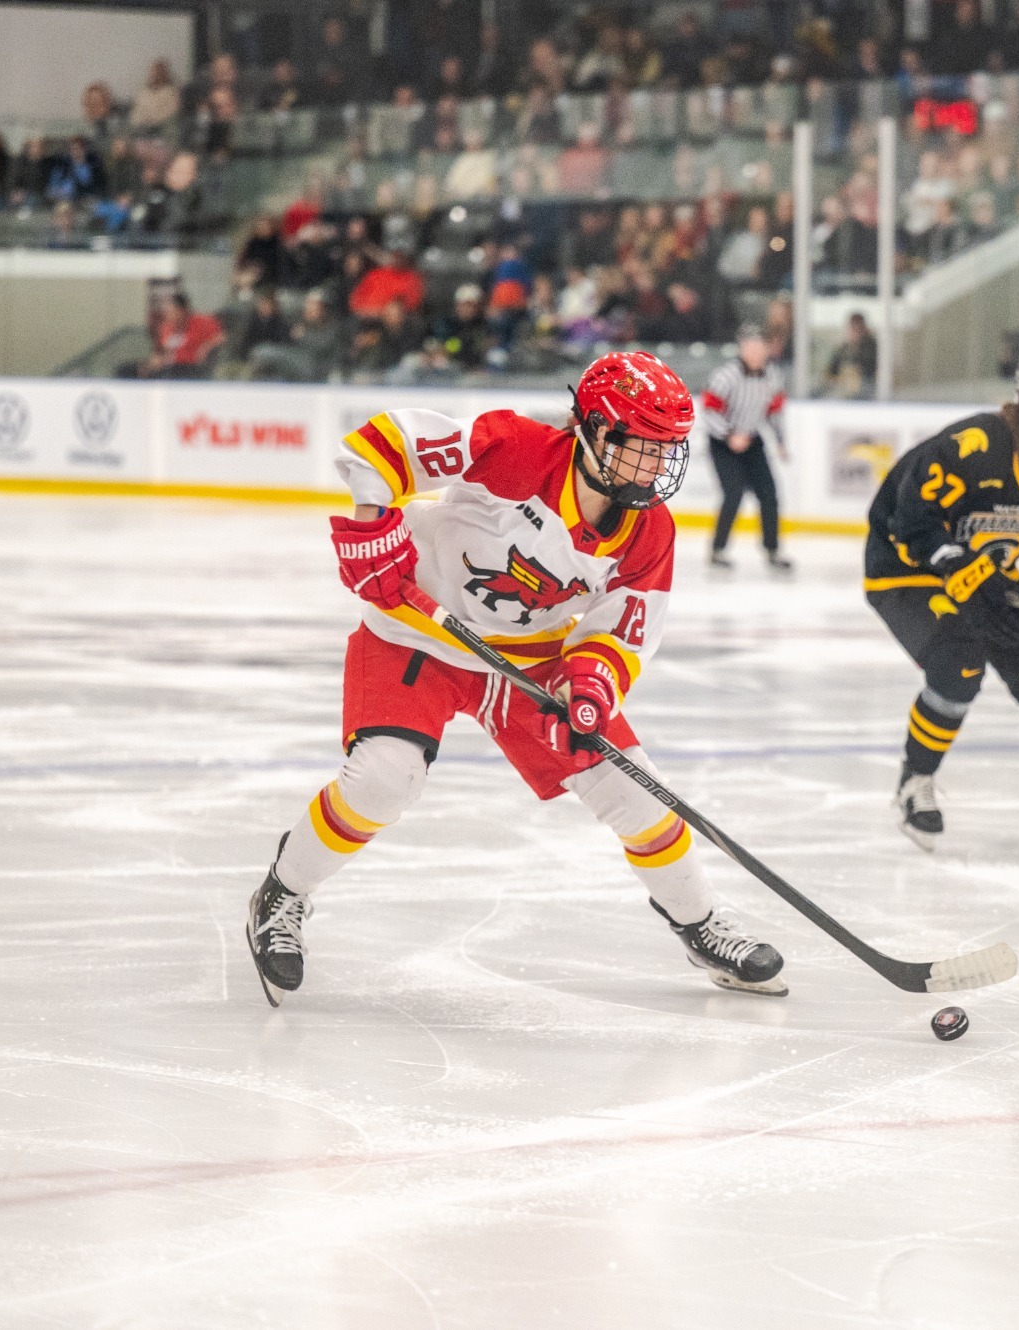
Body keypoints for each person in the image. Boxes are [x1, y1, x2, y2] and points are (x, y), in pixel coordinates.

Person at [244, 351, 787, 1004]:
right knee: (384, 781)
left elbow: (620, 630)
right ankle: (283, 892)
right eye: (636, 446)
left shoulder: (649, 533)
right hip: (418, 634)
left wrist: (589, 684)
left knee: (639, 793)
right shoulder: (512, 449)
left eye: (662, 451)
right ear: (590, 430)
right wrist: (370, 525)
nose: (651, 466)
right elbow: (385, 445)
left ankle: (699, 922)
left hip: (534, 663)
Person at [863, 341, 1019, 848]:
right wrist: (959, 572)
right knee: (958, 661)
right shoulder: (973, 446)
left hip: (985, 572)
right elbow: (907, 521)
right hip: (906, 571)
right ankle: (914, 783)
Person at [702, 325, 792, 573]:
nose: (753, 352)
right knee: (733, 493)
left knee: (769, 494)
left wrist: (781, 441)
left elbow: (774, 412)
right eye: (749, 347)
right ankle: (717, 550)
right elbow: (709, 410)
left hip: (751, 441)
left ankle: (772, 550)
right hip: (723, 443)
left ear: (766, 349)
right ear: (742, 349)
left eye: (758, 347)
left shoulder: (773, 376)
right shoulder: (725, 376)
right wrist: (729, 435)